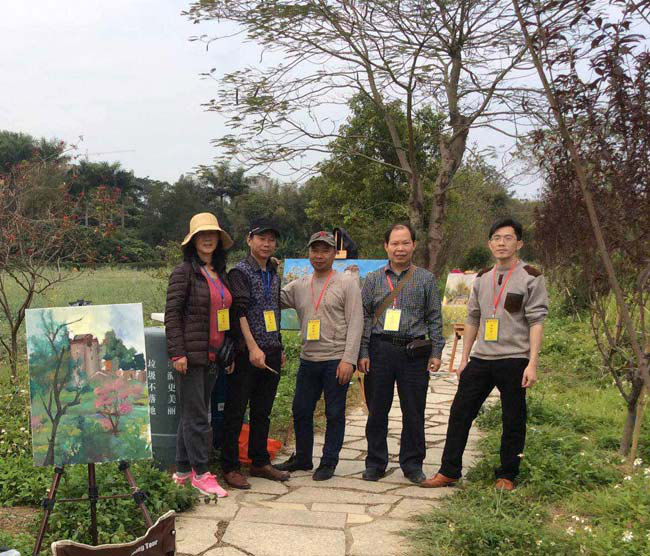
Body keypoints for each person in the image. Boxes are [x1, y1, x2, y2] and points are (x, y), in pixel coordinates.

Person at [422, 217, 548, 491]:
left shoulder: (531, 277)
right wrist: (463, 359)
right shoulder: (482, 278)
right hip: (481, 358)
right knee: (460, 412)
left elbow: (536, 321)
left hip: (514, 358)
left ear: (519, 243)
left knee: (513, 418)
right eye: (496, 239)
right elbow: (473, 318)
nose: (502, 243)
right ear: (490, 244)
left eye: (508, 238)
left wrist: (532, 363)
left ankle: (507, 475)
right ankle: (449, 471)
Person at [358, 223, 445, 484]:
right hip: (380, 349)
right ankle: (375, 462)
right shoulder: (372, 279)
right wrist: (363, 351)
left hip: (414, 352)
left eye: (405, 243)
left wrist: (436, 351)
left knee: (414, 411)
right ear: (386, 246)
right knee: (377, 411)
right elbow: (364, 317)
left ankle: (412, 464)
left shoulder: (426, 279)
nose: (400, 248)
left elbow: (434, 317)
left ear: (414, 245)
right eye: (394, 243)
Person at [274, 231, 363, 481]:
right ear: (309, 253)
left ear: (335, 254)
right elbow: (272, 299)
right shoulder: (299, 285)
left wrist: (349, 359)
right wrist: (268, 272)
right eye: (315, 250)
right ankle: (303, 458)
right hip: (308, 359)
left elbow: (356, 322)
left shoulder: (346, 283)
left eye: (325, 251)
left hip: (336, 359)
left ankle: (328, 461)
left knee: (334, 413)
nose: (320, 255)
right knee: (301, 409)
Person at [164, 212, 234, 498]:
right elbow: (172, 315)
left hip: (213, 356)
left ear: (218, 239)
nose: (207, 239)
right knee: (198, 418)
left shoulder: (219, 273)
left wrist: (227, 353)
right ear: (192, 241)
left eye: (212, 234)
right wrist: (178, 353)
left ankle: (182, 471)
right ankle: (202, 474)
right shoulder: (184, 273)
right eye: (201, 235)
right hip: (191, 357)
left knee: (191, 415)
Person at [220, 218, 289, 488]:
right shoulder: (240, 273)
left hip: (271, 350)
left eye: (271, 239)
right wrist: (252, 348)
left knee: (263, 411)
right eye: (261, 238)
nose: (267, 244)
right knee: (236, 411)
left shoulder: (273, 271)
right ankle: (230, 466)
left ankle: (259, 461)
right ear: (249, 240)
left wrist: (278, 346)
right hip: (246, 353)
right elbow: (239, 313)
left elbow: (275, 312)